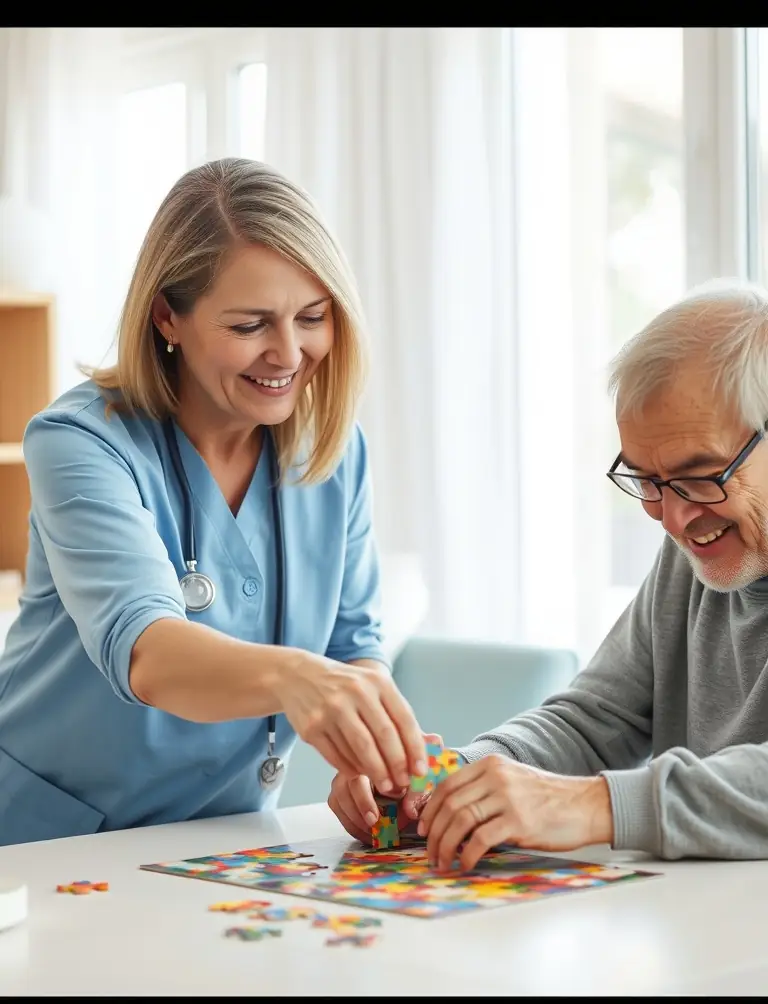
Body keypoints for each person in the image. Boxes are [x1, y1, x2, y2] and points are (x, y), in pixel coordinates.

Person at [0, 157, 429, 847]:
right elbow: (146, 651)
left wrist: (364, 746)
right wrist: (300, 681)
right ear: (168, 316)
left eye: (312, 316)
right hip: (46, 841)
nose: (288, 353)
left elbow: (353, 645)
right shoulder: (79, 442)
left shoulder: (335, 452)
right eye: (250, 325)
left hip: (223, 842)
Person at [329, 278, 768, 867]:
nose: (674, 518)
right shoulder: (694, 556)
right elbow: (592, 723)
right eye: (647, 482)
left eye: (700, 475)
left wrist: (593, 807)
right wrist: (453, 780)